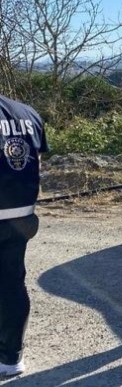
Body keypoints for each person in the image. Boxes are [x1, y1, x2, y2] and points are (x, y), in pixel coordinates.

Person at [0, 94, 48, 377]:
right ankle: (11, 357)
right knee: (11, 284)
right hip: (22, 215)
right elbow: (36, 161)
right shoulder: (27, 112)